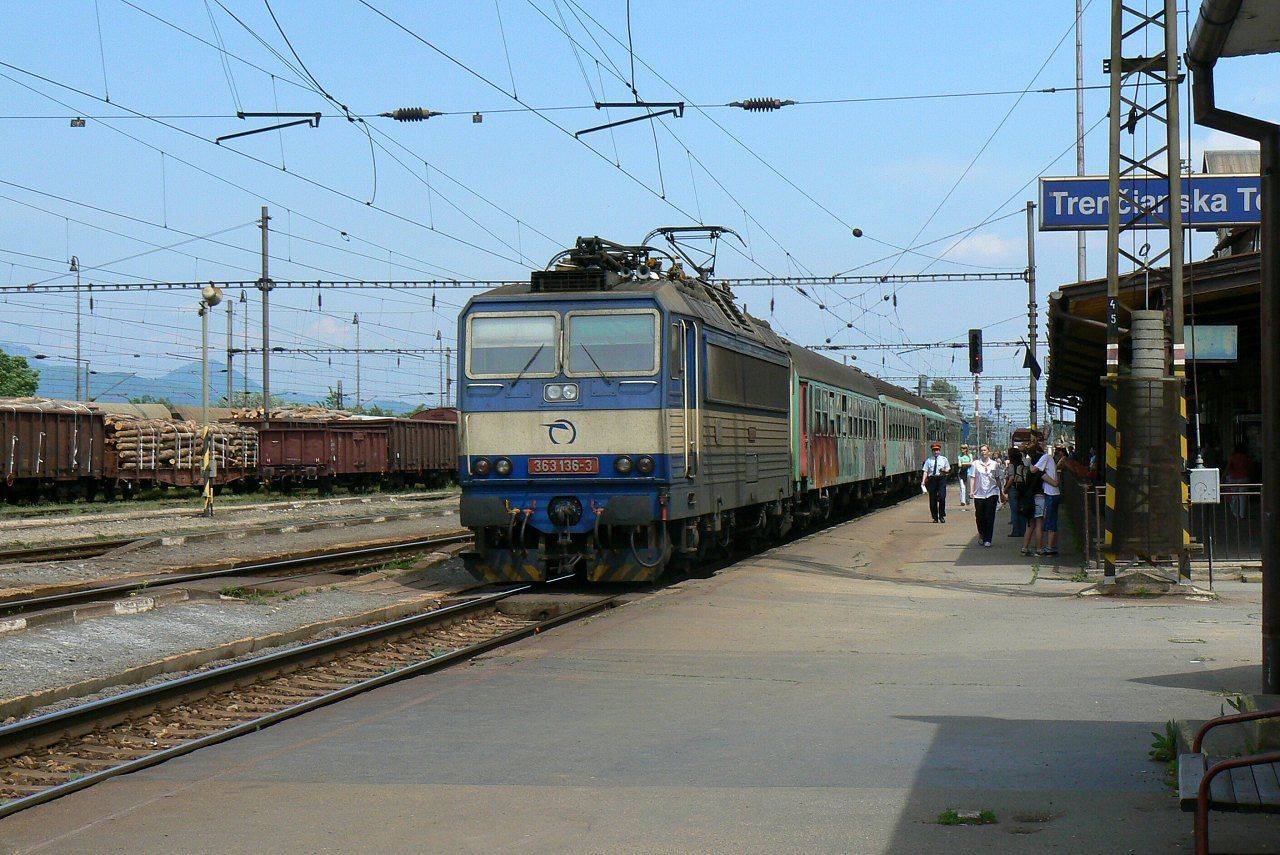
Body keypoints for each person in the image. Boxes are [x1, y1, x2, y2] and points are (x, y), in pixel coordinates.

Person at [1029, 442, 1061, 556]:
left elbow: (1034, 470)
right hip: (1053, 493)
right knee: (1052, 521)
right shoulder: (1049, 459)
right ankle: (1052, 546)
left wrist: (1029, 464)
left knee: (1050, 522)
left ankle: (1049, 548)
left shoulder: (1044, 457)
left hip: (1051, 494)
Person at [968, 444, 1004, 547]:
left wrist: (1000, 492)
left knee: (989, 516)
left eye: (985, 450)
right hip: (979, 493)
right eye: (981, 450)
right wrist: (971, 491)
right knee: (979, 516)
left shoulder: (994, 464)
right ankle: (981, 533)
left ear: (989, 451)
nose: (983, 452)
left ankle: (988, 539)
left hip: (991, 493)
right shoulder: (975, 464)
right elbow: (973, 478)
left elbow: (997, 478)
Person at [920, 442, 951, 523]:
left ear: (939, 451)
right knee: (932, 499)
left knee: (942, 497)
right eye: (934, 450)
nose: (936, 452)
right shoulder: (929, 460)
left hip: (941, 479)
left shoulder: (944, 459)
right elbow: (925, 471)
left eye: (937, 450)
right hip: (932, 480)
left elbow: (948, 469)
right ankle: (935, 517)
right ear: (932, 451)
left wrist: (945, 470)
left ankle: (941, 515)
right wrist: (923, 481)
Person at [1225, 442, 1254, 519]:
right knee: (1243, 497)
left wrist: (1223, 476)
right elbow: (1250, 468)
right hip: (1244, 478)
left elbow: (1228, 467)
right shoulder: (1246, 457)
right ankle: (1242, 514)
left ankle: (1235, 513)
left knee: (1234, 497)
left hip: (1233, 478)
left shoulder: (1233, 457)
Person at [1004, 447, 1027, 538]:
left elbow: (1011, 478)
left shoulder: (1011, 465)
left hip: (1013, 488)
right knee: (1021, 510)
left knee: (1014, 511)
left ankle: (1015, 531)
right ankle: (1023, 531)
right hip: (1022, 488)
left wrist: (1006, 488)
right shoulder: (1022, 463)